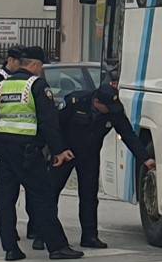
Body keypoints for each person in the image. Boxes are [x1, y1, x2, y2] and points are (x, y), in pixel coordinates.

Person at [0, 45, 81, 261]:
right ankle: (57, 247)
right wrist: (59, 151)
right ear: (35, 65)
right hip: (27, 151)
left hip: (2, 149)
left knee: (6, 200)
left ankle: (11, 249)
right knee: (42, 197)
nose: (41, 70)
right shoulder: (36, 85)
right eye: (41, 66)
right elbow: (48, 122)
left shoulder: (1, 85)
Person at [54, 74, 155, 248]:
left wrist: (145, 159)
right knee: (51, 192)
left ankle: (89, 236)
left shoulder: (114, 110)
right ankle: (44, 233)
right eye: (107, 108)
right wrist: (59, 150)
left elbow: (128, 135)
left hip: (90, 156)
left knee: (89, 196)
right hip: (66, 153)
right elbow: (55, 126)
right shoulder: (76, 102)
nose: (111, 111)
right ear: (97, 103)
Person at [0, 47, 39, 245]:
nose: (20, 64)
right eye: (18, 60)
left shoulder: (28, 80)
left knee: (29, 194)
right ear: (10, 60)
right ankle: (12, 233)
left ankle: (33, 230)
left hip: (20, 143)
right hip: (10, 143)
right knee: (10, 195)